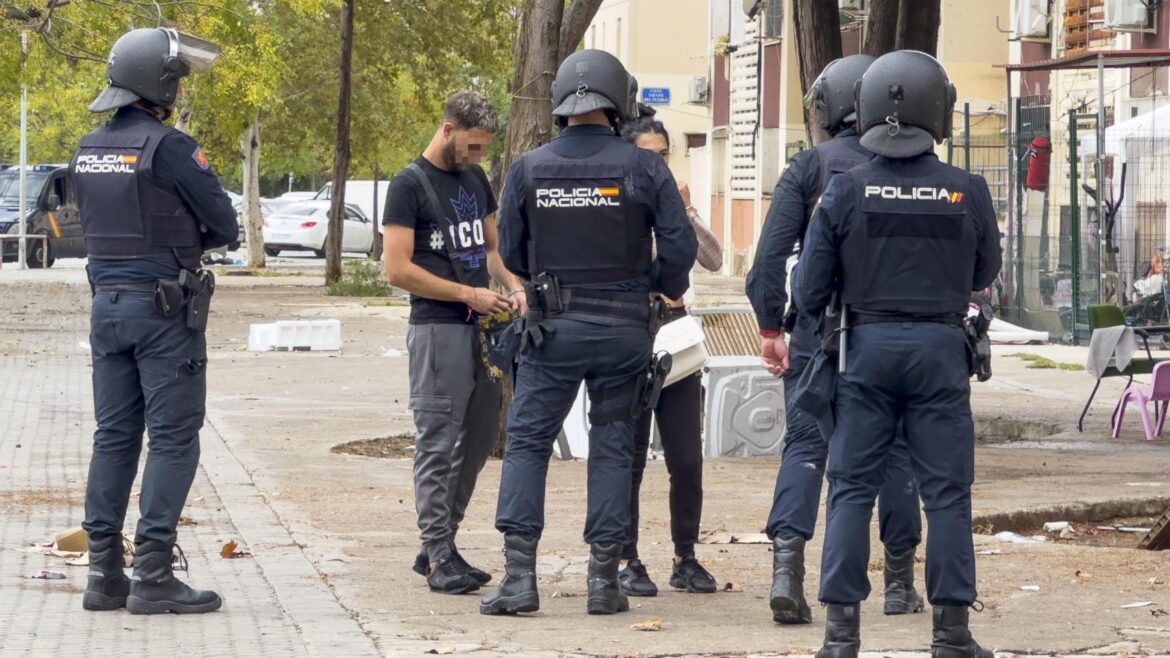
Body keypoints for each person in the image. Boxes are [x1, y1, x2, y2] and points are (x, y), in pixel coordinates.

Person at [794, 50, 1001, 656]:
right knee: (946, 493)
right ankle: (951, 633)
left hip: (863, 351)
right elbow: (985, 270)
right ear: (938, 110)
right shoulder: (967, 191)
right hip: (941, 350)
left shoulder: (844, 189)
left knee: (852, 488)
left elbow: (808, 289)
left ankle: (840, 635)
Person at [480, 49, 697, 617]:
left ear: (562, 106)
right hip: (626, 331)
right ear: (618, 103)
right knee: (613, 445)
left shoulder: (529, 167)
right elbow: (680, 250)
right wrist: (653, 284)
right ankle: (604, 582)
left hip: (552, 330)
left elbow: (509, 251)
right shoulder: (646, 168)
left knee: (528, 444)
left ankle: (519, 580)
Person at [745, 54, 923, 625]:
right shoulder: (924, 166)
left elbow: (769, 259)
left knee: (804, 445)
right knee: (895, 452)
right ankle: (899, 583)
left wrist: (774, 328)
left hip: (818, 335)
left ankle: (787, 574)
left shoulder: (810, 166)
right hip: (896, 336)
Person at [72, 27, 236, 615]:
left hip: (105, 308)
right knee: (172, 438)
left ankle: (102, 573)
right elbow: (224, 226)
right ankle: (154, 574)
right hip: (165, 312)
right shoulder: (170, 147)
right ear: (159, 84)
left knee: (113, 437)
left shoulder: (86, 148)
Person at [383, 91, 527, 595]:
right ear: (447, 130)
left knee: (479, 437)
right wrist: (467, 293)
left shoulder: (474, 179)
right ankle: (438, 550)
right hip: (436, 327)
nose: (476, 157)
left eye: (483, 149)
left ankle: (440, 546)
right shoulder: (409, 185)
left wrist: (513, 286)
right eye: (471, 147)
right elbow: (397, 269)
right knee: (438, 443)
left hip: (481, 331)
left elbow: (490, 248)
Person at [617, 117, 723, 597]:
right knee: (629, 455)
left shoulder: (676, 202)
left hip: (677, 338)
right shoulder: (620, 203)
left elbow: (715, 259)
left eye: (665, 153)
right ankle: (625, 557)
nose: (659, 162)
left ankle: (686, 555)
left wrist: (685, 211)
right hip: (634, 334)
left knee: (686, 456)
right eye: (649, 154)